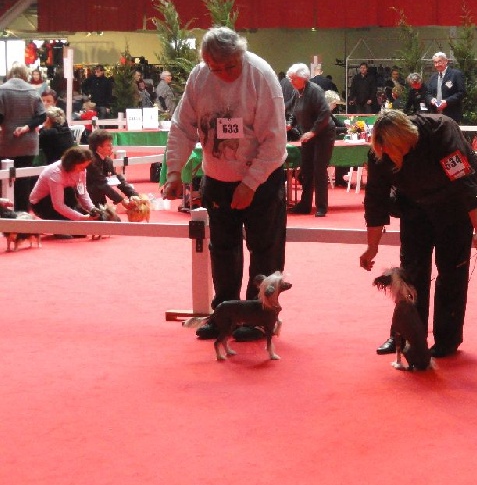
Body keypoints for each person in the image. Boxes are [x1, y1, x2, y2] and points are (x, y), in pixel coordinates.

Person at [163, 27, 288, 340]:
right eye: (214, 67)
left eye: (230, 66)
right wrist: (174, 171)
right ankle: (225, 313)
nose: (222, 74)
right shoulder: (199, 77)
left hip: (262, 179)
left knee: (264, 250)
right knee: (222, 250)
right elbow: (182, 126)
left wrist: (251, 183)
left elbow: (275, 142)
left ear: (241, 55)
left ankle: (258, 315)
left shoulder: (261, 77)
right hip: (217, 178)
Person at [360, 110, 477, 358]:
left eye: (393, 150)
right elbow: (375, 200)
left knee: (451, 271)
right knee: (410, 272)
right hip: (414, 203)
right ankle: (405, 335)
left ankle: (447, 340)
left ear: (405, 140)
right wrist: (372, 247)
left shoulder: (441, 132)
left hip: (455, 203)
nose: (388, 156)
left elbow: (464, 182)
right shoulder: (380, 152)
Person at [286, 63, 335, 217]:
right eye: (290, 78)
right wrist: (290, 124)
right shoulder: (297, 92)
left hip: (323, 134)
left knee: (319, 169)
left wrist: (313, 132)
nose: (291, 81)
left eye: (294, 78)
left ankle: (321, 206)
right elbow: (294, 111)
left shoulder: (315, 90)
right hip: (308, 134)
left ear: (304, 78)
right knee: (306, 169)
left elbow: (325, 113)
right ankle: (305, 204)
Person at [0, 63, 45, 211]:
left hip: (6, 141)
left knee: (5, 178)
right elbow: (42, 116)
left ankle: (6, 211)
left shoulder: (2, 91)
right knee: (24, 179)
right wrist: (26, 128)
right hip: (28, 143)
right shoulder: (33, 91)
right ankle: (23, 212)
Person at [29, 146, 98, 221]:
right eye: (81, 167)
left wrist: (91, 208)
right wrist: (81, 217)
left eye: (85, 167)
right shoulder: (55, 174)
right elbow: (58, 205)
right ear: (72, 164)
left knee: (70, 193)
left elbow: (82, 192)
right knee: (75, 219)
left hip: (65, 197)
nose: (83, 170)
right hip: (41, 204)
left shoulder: (81, 171)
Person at [85, 130, 138, 210]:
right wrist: (123, 201)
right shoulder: (91, 162)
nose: (112, 148)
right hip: (87, 202)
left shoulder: (107, 161)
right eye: (108, 145)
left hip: (99, 199)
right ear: (99, 148)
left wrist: (133, 194)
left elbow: (117, 179)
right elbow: (102, 185)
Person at [427, 51, 466, 123]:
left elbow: (462, 92)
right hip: (435, 114)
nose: (437, 65)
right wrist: (431, 99)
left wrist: (447, 101)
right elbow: (428, 93)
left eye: (439, 61)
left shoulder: (456, 74)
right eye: (435, 62)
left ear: (446, 61)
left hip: (451, 114)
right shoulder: (433, 77)